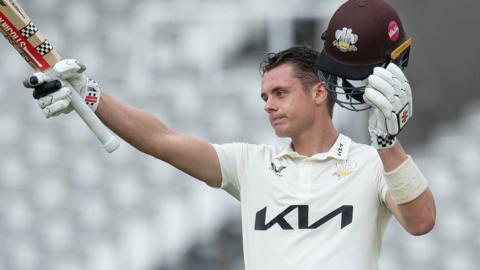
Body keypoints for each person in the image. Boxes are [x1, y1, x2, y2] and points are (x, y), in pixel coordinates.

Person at [24, 0, 435, 269]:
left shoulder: (367, 164)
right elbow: (161, 140)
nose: (268, 104)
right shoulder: (250, 165)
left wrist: (387, 144)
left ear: (318, 92)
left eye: (280, 93)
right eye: (264, 96)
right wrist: (90, 93)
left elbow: (421, 222)